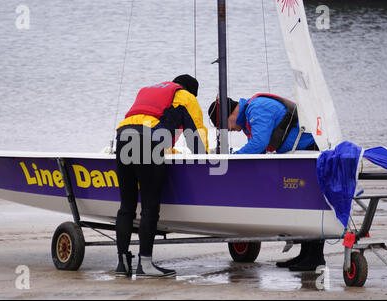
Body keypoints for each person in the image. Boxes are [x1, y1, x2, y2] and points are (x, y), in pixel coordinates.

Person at [208, 94, 325, 271]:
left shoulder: (257, 108)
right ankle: (305, 255)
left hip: (310, 151)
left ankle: (315, 257)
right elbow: (257, 151)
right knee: (300, 203)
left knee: (308, 202)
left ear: (230, 115)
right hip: (298, 155)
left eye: (224, 126)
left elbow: (259, 144)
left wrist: (232, 160)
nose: (229, 130)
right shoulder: (249, 117)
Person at [115, 74, 209, 278]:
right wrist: (205, 161)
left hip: (123, 136)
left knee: (126, 206)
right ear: (191, 92)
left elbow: (151, 121)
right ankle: (145, 265)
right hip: (147, 140)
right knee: (149, 206)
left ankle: (122, 264)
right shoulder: (187, 97)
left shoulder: (149, 91)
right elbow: (196, 136)